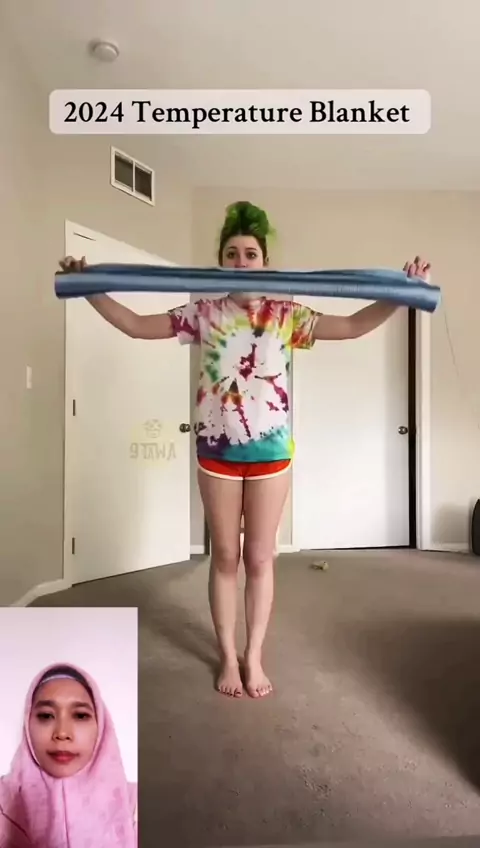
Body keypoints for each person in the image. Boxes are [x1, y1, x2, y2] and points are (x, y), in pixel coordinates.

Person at [58, 200, 431, 700]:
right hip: (217, 454)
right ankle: (227, 655)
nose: (241, 261)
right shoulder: (203, 313)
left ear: (264, 261)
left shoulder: (286, 315)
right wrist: (88, 289)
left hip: (272, 455)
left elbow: (352, 326)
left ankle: (253, 656)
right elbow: (135, 324)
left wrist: (401, 295)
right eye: (231, 253)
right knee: (226, 557)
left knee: (259, 558)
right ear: (220, 262)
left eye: (250, 254)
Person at [0, 663, 137, 847]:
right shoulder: (4, 804)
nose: (62, 733)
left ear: (102, 727)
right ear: (28, 723)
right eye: (46, 716)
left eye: (80, 715)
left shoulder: (139, 806)